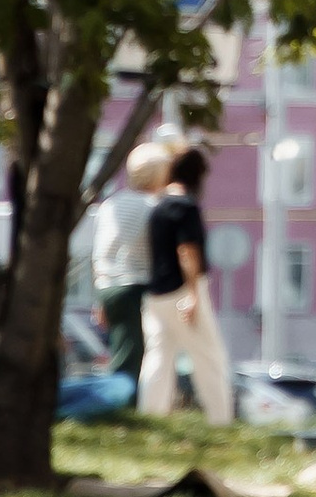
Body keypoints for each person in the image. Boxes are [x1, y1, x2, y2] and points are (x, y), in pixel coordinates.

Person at [138, 143, 234, 425]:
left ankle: (150, 416)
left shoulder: (158, 208)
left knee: (158, 358)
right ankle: (220, 420)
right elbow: (187, 251)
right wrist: (193, 294)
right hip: (183, 291)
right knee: (209, 358)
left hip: (156, 296)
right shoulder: (185, 206)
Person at [90, 141, 169, 392]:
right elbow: (159, 254)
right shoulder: (155, 208)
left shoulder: (111, 205)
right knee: (134, 357)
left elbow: (99, 253)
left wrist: (100, 298)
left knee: (123, 347)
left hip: (108, 286)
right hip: (136, 286)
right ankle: (121, 407)